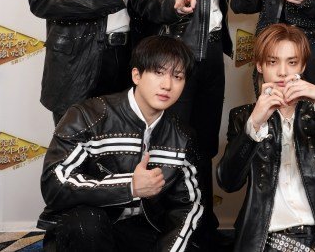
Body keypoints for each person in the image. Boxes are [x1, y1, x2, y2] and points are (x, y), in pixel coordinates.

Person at [129, 0, 235, 236]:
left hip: (212, 56)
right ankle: (167, 230)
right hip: (173, 57)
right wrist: (171, 6)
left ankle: (201, 228)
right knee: (169, 146)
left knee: (204, 145)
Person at [38, 35, 204, 252]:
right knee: (86, 223)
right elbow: (54, 184)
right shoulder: (88, 116)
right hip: (90, 228)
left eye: (178, 76)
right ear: (136, 75)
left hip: (142, 230)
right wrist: (129, 187)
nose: (167, 85)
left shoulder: (182, 136)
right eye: (158, 72)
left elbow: (188, 206)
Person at [217, 23, 315, 251]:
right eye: (272, 62)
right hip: (265, 239)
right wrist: (254, 124)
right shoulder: (243, 116)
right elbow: (228, 182)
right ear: (259, 65)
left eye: (292, 62)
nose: (283, 72)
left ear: (303, 65)